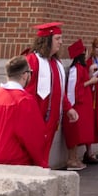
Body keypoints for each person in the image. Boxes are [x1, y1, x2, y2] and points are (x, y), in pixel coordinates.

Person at [0, 55, 49, 167]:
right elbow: (33, 138)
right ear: (25, 75)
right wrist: (41, 163)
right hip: (13, 164)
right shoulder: (24, 101)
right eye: (30, 72)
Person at [24, 22, 70, 165]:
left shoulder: (56, 63)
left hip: (52, 120)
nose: (61, 42)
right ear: (46, 40)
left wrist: (68, 109)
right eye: (58, 38)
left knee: (44, 154)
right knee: (33, 155)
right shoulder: (32, 60)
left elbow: (60, 91)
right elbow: (26, 92)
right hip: (37, 117)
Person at [63, 39, 98, 170]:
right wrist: (90, 81)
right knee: (74, 133)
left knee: (79, 134)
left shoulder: (80, 68)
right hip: (76, 106)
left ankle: (75, 158)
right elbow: (74, 88)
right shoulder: (75, 69)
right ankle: (71, 159)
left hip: (82, 106)